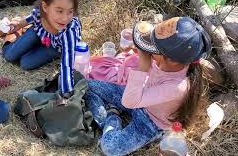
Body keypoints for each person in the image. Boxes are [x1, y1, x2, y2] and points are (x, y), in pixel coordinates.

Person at [84, 17, 212, 155]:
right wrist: (136, 49)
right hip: (140, 96)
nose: (149, 50)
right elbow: (133, 98)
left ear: (171, 60)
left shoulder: (178, 87)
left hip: (150, 122)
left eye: (153, 47)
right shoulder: (169, 59)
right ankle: (110, 116)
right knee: (86, 86)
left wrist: (143, 67)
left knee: (110, 148)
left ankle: (112, 115)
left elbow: (129, 102)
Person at [1, 0, 81, 97]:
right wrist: (17, 25)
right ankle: (14, 38)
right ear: (45, 7)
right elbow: (30, 18)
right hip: (38, 33)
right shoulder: (40, 13)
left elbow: (67, 64)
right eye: (59, 11)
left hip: (54, 47)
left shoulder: (68, 32)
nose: (65, 18)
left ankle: (31, 46)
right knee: (9, 55)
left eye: (70, 12)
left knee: (25, 63)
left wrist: (66, 93)